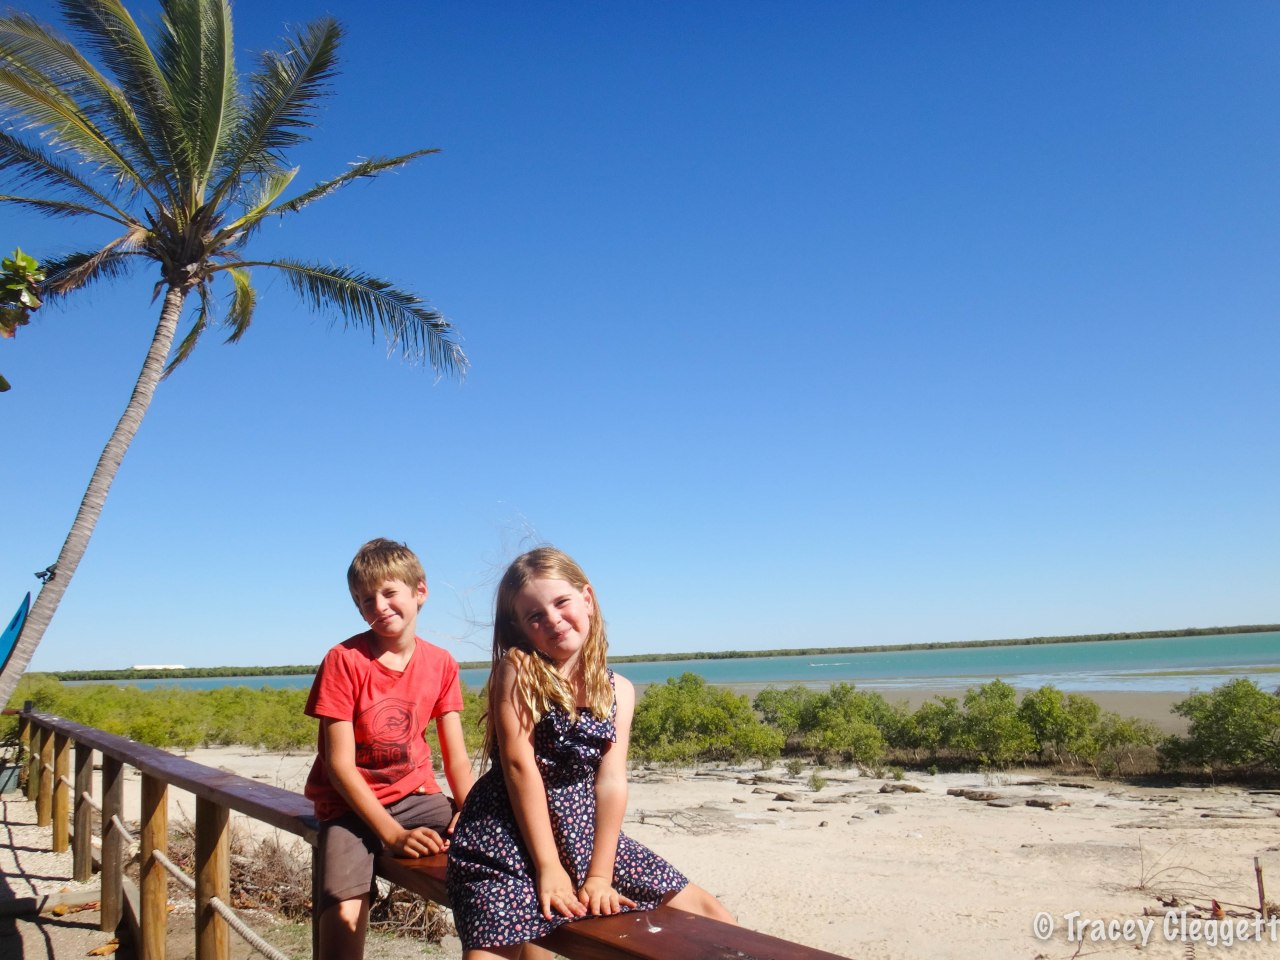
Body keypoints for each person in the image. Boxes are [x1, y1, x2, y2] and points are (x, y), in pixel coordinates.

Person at [446, 546, 734, 960]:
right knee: (496, 949)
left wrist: (599, 874)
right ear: (520, 628)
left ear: (587, 598)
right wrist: (548, 867)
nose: (553, 619)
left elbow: (611, 781)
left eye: (561, 602)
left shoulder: (619, 690)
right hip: (506, 834)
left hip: (583, 833)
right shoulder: (520, 668)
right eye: (535, 615)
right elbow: (518, 766)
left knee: (713, 917)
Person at [305, 538, 473, 960]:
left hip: (417, 797)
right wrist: (393, 835)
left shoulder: (441, 663)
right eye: (366, 600)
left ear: (420, 592)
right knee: (342, 918)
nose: (378, 605)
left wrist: (470, 810)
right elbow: (339, 766)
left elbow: (455, 756)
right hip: (350, 808)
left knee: (497, 848)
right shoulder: (344, 660)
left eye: (389, 592)